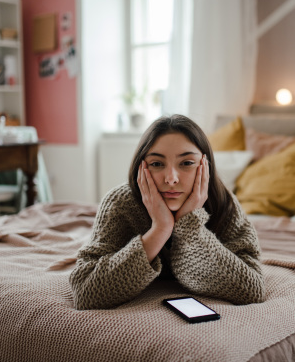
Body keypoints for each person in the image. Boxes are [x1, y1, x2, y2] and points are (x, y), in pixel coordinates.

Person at [70, 114, 265, 309]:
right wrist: (160, 229)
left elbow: (252, 289)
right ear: (141, 167)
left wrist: (188, 226)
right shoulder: (120, 203)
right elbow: (85, 292)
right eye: (156, 164)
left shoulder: (223, 202)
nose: (171, 178)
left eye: (186, 163)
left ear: (205, 166)